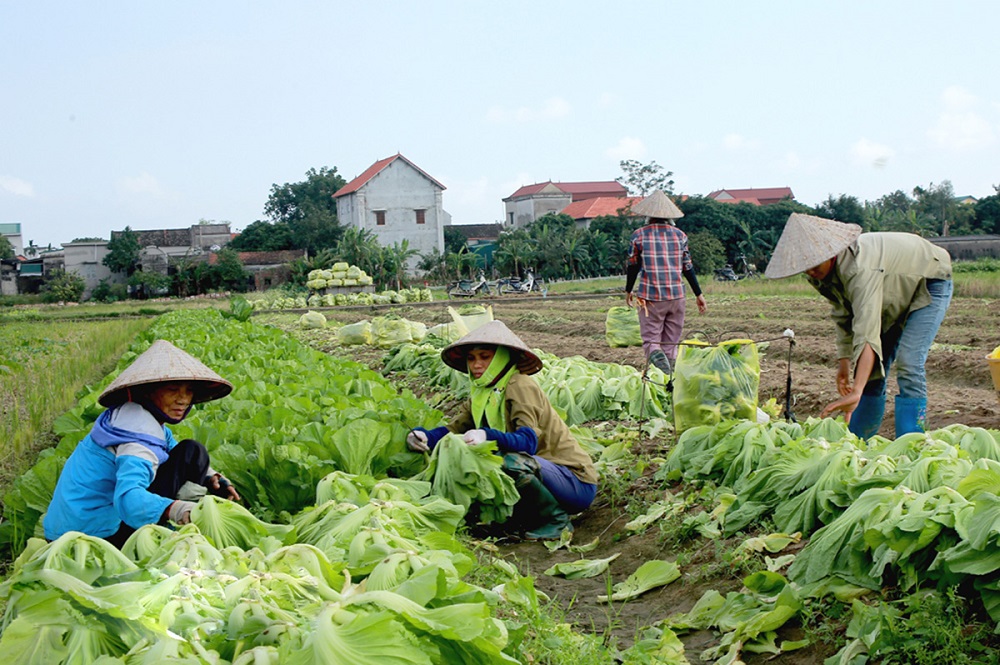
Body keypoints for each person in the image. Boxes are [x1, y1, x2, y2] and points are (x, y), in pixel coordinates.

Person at [765, 212, 953, 438]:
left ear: (830, 253)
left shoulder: (859, 269)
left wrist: (856, 390)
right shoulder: (822, 274)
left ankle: (912, 440)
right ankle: (860, 440)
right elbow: (844, 315)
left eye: (814, 265)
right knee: (872, 371)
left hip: (929, 278)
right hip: (892, 291)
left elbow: (866, 328)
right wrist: (844, 364)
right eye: (805, 268)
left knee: (909, 361)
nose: (810, 272)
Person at [406, 321, 598, 540]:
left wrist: (487, 435)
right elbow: (455, 429)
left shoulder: (520, 385)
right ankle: (521, 519)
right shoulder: (481, 393)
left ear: (502, 358)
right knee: (478, 456)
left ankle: (557, 521)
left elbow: (528, 442)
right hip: (541, 476)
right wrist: (425, 437)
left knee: (507, 460)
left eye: (485, 357)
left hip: (573, 481)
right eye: (471, 358)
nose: (477, 364)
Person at [44, 340, 240, 547]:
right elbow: (129, 500)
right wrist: (176, 509)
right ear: (147, 392)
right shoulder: (136, 439)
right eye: (173, 389)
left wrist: (212, 477)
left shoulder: (134, 418)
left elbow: (176, 452)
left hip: (69, 526)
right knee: (191, 453)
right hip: (89, 538)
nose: (183, 399)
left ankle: (179, 514)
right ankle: (175, 525)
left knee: (191, 451)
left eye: (189, 390)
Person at [625, 190, 707, 375]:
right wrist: (698, 294)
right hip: (677, 297)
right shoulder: (680, 236)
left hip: (650, 297)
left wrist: (628, 290)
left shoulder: (639, 235)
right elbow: (687, 267)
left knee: (651, 341)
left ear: (648, 215)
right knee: (670, 343)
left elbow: (633, 265)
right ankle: (670, 379)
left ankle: (660, 368)